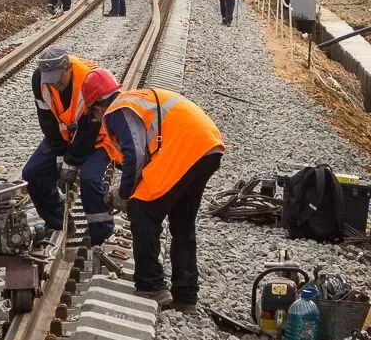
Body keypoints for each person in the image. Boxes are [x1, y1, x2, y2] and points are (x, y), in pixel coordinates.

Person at [94, 85, 225, 309]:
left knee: (142, 210)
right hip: (208, 147)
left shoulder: (117, 110)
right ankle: (185, 295)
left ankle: (151, 286)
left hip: (185, 148)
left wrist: (125, 194)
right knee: (182, 224)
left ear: (98, 107)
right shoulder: (136, 100)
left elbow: (135, 154)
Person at [22, 48, 118, 246]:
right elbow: (47, 120)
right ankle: (58, 222)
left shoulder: (88, 79)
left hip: (97, 136)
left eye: (59, 79)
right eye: (50, 80)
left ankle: (101, 234)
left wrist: (70, 162)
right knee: (32, 173)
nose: (55, 84)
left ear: (68, 68)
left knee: (90, 180)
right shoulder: (40, 81)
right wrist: (59, 153)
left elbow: (89, 128)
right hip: (64, 134)